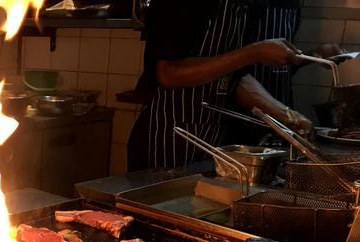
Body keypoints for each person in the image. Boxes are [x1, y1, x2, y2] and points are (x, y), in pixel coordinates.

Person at [126, 0, 311, 172]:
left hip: (211, 138)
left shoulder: (238, 6)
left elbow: (234, 77)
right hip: (166, 138)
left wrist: (286, 115)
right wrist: (253, 53)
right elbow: (169, 73)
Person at [227, 0, 347, 145]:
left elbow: (282, 66)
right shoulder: (241, 5)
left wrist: (313, 56)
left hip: (284, 116)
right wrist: (281, 112)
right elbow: (231, 71)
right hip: (243, 118)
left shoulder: (293, 5)